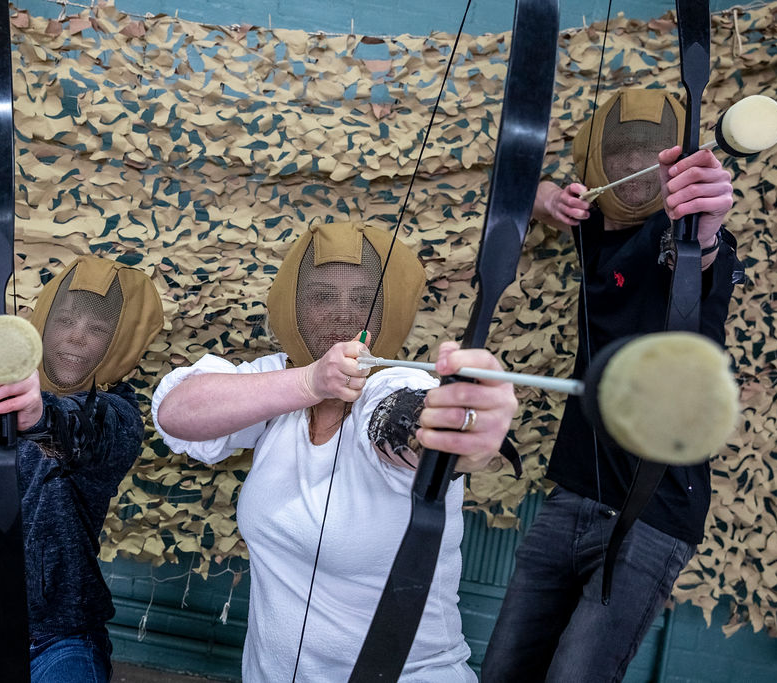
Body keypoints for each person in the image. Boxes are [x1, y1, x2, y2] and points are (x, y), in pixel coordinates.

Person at [152, 221, 520, 681]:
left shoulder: (394, 384)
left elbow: (408, 423)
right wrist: (309, 382)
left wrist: (463, 425)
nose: (343, 314)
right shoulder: (282, 379)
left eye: (364, 299)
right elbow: (176, 411)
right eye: (322, 296)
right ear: (294, 304)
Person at [481, 88, 745, 682]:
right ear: (598, 160)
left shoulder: (686, 236)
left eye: (648, 157)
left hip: (652, 511)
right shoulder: (595, 224)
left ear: (671, 166)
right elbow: (519, 191)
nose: (633, 168)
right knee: (502, 671)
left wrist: (703, 232)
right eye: (620, 155)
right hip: (573, 492)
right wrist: (550, 198)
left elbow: (697, 259)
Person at [0, 255, 163, 682]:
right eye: (66, 320)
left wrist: (36, 415)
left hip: (60, 649)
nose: (76, 337)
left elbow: (77, 430)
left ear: (121, 342)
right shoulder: (19, 389)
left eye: (98, 330)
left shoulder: (118, 415)